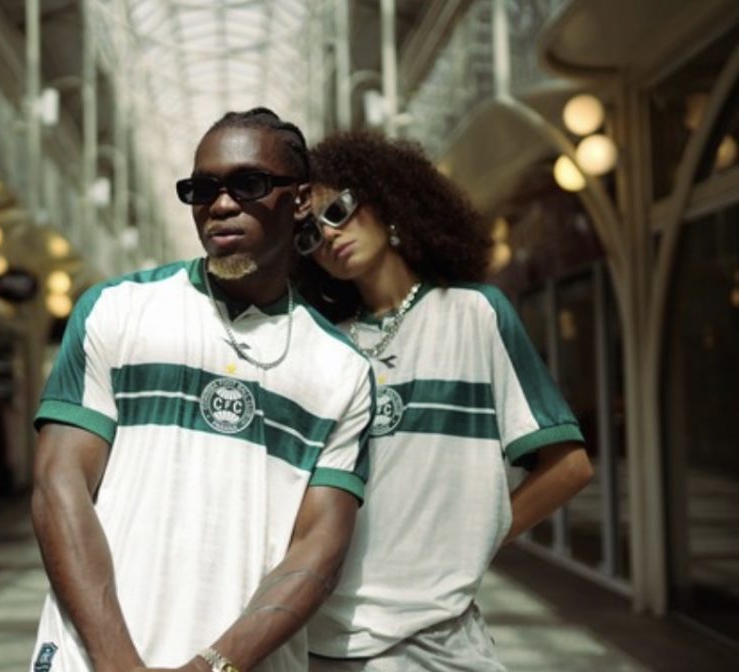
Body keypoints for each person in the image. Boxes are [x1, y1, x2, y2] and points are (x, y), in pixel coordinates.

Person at [30, 108, 376, 672]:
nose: (220, 205)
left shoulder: (342, 370)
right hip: (88, 659)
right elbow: (58, 486)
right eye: (203, 189)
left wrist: (212, 665)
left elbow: (320, 549)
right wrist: (117, 662)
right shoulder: (116, 310)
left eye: (248, 184)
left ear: (299, 200)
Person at [294, 131, 594, 671]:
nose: (329, 235)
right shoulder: (325, 346)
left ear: (385, 201)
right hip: (324, 636)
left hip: (438, 641)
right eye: (310, 234)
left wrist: (470, 543)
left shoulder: (476, 314)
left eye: (338, 210)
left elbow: (568, 467)